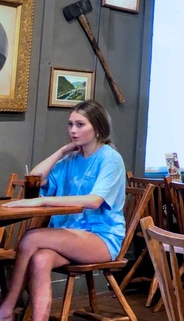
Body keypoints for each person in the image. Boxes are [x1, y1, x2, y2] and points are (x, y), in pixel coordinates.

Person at [0, 100, 126, 321]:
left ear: (97, 127)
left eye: (80, 124)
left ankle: (7, 308)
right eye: (70, 124)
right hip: (69, 235)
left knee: (31, 238)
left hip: (101, 238)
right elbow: (36, 180)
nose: (73, 130)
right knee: (40, 259)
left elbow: (95, 201)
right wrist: (62, 150)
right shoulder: (70, 159)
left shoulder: (110, 158)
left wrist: (42, 203)